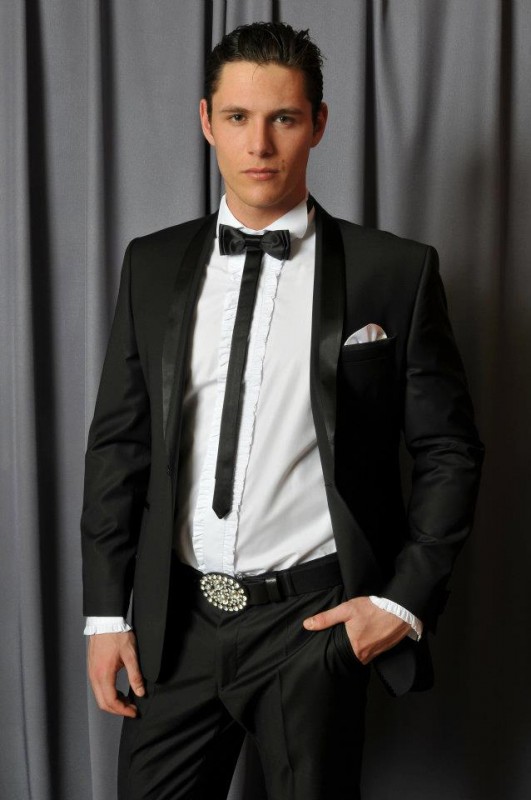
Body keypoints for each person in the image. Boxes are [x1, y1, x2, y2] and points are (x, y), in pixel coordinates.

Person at [81, 21, 484, 800]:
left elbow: (448, 451)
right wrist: (106, 614)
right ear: (206, 121)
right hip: (178, 625)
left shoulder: (392, 271)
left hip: (311, 627)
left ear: (318, 124)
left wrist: (400, 602)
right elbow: (119, 447)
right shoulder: (152, 262)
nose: (259, 144)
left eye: (283, 119)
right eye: (237, 117)